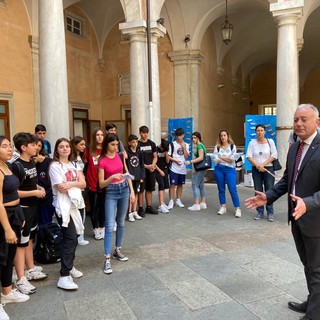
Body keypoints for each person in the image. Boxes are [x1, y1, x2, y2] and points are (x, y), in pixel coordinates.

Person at [245, 104, 320, 320]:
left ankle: (315, 314)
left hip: (315, 219)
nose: (298, 123)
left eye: (304, 119)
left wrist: (309, 202)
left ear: (317, 122)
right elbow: (288, 179)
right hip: (296, 217)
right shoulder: (295, 147)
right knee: (308, 265)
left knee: (316, 268)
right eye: (296, 119)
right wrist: (268, 196)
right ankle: (313, 301)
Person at [12, 132, 48, 295]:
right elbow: (14, 192)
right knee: (21, 243)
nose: (36, 147)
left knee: (29, 240)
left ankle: (31, 268)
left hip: (33, 208)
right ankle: (20, 278)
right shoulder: (17, 166)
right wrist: (34, 192)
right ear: (23, 147)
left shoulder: (31, 162)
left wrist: (38, 188)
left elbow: (31, 183)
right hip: (23, 210)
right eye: (33, 145)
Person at [49, 138, 86, 290]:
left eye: (66, 146)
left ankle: (69, 266)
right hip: (63, 206)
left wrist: (71, 183)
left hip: (76, 204)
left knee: (75, 236)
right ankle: (64, 276)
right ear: (57, 150)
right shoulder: (54, 166)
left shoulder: (74, 164)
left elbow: (83, 184)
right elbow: (61, 188)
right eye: (61, 146)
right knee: (70, 238)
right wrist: (75, 184)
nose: (64, 149)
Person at [0, 136, 29, 320]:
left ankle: (7, 292)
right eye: (4, 146)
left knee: (9, 256)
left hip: (15, 214)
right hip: (3, 218)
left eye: (10, 146)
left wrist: (19, 217)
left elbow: (13, 193)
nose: (9, 149)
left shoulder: (7, 166)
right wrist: (7, 229)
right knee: (1, 258)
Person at [98, 134, 135, 274]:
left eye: (116, 144)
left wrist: (132, 191)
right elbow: (101, 184)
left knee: (121, 222)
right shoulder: (102, 160)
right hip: (111, 192)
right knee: (109, 225)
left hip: (124, 189)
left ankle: (117, 250)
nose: (115, 147)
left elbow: (126, 172)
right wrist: (111, 178)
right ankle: (107, 258)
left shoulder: (120, 156)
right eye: (112, 144)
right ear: (107, 144)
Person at [246, 124, 278, 222]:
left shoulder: (270, 141)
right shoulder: (252, 143)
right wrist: (257, 165)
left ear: (264, 131)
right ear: (255, 132)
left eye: (261, 130)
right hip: (256, 170)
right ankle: (259, 211)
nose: (259, 132)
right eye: (258, 130)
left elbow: (274, 155)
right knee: (258, 190)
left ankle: (270, 212)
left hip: (268, 169)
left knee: (269, 190)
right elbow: (249, 156)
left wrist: (263, 164)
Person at [213, 130, 241, 218]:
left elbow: (232, 159)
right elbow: (215, 160)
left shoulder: (233, 147)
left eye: (224, 135)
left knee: (232, 188)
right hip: (219, 170)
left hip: (230, 170)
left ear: (228, 136)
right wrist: (227, 158)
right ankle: (223, 206)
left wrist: (221, 157)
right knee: (221, 189)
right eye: (221, 135)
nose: (223, 137)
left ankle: (237, 208)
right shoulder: (217, 147)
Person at [84, 127, 105, 240]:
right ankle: (95, 228)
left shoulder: (106, 150)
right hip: (92, 182)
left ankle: (102, 227)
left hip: (104, 183)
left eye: (101, 135)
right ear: (94, 136)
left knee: (103, 207)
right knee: (94, 207)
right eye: (97, 135)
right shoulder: (88, 150)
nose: (100, 137)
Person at [70, 136, 89, 245]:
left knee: (82, 210)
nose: (84, 146)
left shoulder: (80, 156)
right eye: (81, 144)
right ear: (75, 145)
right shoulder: (71, 158)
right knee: (75, 210)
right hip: (74, 187)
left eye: (84, 144)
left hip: (81, 186)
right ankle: (77, 235)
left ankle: (80, 235)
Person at [33, 139, 55, 225]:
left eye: (39, 146)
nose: (37, 148)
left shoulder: (49, 161)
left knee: (46, 222)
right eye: (35, 145)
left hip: (47, 196)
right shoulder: (27, 162)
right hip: (32, 197)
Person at [137, 125, 158, 216]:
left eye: (146, 133)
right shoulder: (137, 144)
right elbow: (136, 159)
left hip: (151, 170)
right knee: (141, 190)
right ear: (140, 133)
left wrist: (153, 165)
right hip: (142, 171)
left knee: (150, 189)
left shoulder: (152, 143)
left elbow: (155, 156)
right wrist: (146, 166)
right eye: (143, 133)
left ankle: (148, 207)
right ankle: (140, 208)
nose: (145, 135)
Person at [167, 128, 190, 209]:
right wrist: (175, 161)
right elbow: (169, 156)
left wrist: (183, 147)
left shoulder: (186, 145)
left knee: (180, 184)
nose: (179, 137)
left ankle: (178, 200)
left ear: (183, 135)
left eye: (180, 135)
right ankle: (171, 201)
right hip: (174, 168)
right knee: (172, 185)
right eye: (177, 136)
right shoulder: (172, 144)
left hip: (182, 168)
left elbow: (186, 156)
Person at [185, 132, 207, 211]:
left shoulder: (200, 146)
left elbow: (200, 158)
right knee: (201, 185)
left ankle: (196, 204)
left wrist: (190, 161)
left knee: (195, 185)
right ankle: (203, 203)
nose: (193, 139)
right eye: (192, 138)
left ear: (198, 138)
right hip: (202, 169)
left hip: (200, 169)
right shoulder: (201, 145)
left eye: (195, 138)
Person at [126, 134, 144, 222]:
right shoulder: (127, 152)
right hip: (130, 178)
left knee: (136, 194)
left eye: (136, 142)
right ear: (129, 143)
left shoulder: (139, 152)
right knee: (131, 195)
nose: (135, 144)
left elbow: (141, 165)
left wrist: (141, 176)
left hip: (137, 177)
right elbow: (125, 166)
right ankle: (129, 212)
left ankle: (134, 211)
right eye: (133, 142)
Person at [156, 138, 170, 213]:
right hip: (158, 170)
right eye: (162, 148)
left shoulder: (165, 150)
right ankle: (161, 205)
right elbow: (154, 162)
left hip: (164, 169)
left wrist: (166, 153)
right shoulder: (156, 149)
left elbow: (167, 161)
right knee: (161, 185)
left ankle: (162, 202)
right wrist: (160, 171)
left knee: (164, 186)